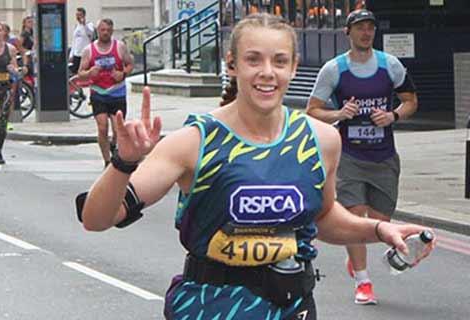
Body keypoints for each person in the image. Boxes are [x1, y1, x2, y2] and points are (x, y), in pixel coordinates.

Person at [78, 13, 432, 319]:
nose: (267, 73)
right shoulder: (194, 141)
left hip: (293, 307)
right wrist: (123, 162)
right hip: (211, 308)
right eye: (253, 60)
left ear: (294, 67)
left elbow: (323, 218)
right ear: (231, 65)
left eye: (279, 61)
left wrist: (379, 231)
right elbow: (96, 219)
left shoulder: (321, 140)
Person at [306, 9, 418, 305]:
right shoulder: (334, 69)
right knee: (355, 218)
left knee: (380, 223)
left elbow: (411, 101)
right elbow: (312, 110)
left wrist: (393, 115)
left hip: (384, 156)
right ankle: (363, 280)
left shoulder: (389, 65)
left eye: (370, 28)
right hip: (349, 156)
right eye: (360, 28)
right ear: (348, 33)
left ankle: (355, 258)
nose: (366, 33)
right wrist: (339, 114)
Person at [78, 18, 133, 168]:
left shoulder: (119, 47)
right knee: (102, 128)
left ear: (112, 31)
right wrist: (89, 72)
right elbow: (80, 73)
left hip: (117, 93)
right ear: (97, 31)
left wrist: (123, 74)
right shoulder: (89, 50)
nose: (105, 33)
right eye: (102, 30)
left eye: (108, 30)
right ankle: (107, 161)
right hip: (99, 93)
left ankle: (114, 145)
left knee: (117, 129)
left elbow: (129, 64)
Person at [0, 21, 18, 164]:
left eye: (0, 30)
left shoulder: (11, 49)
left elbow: (16, 70)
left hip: (5, 88)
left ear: (4, 33)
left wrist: (13, 70)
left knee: (3, 122)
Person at [69, 7, 94, 75]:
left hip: (85, 54)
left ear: (84, 15)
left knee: (84, 72)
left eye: (80, 15)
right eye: (77, 15)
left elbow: (90, 34)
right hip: (77, 54)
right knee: (75, 73)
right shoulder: (76, 26)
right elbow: (74, 41)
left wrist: (84, 24)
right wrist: (71, 54)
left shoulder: (89, 24)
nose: (78, 17)